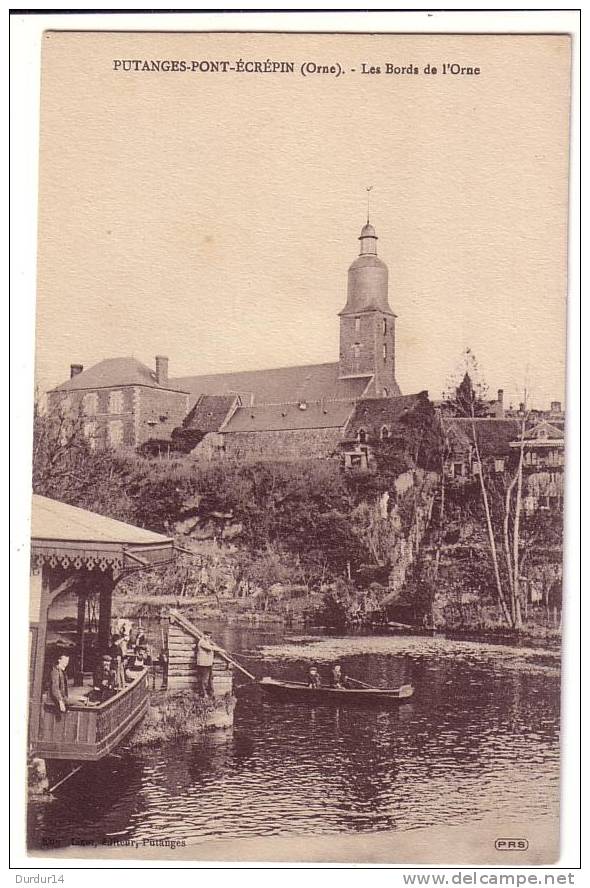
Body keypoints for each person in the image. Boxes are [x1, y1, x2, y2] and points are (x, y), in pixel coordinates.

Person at [196, 631, 217, 698]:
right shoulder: (202, 642)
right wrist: (222, 650)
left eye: (209, 636)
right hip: (203, 664)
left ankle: (211, 693)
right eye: (206, 635)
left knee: (210, 679)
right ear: (203, 635)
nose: (208, 637)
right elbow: (211, 648)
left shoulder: (208, 642)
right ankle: (204, 694)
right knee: (204, 680)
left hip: (208, 664)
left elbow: (212, 646)